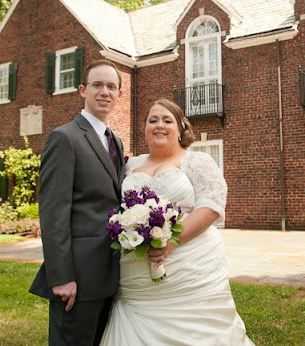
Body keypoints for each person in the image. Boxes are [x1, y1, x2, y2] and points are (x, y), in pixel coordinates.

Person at [100, 98, 254, 346]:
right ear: (145, 127)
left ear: (181, 128)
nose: (159, 125)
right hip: (135, 276)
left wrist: (171, 242)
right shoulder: (130, 165)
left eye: (167, 120)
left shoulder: (196, 161)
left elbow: (212, 205)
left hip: (188, 268)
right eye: (153, 120)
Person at [30, 60, 126, 346]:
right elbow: (53, 212)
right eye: (97, 85)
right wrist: (61, 277)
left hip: (109, 274)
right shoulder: (65, 138)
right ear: (83, 90)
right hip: (77, 277)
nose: (104, 92)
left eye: (111, 86)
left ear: (120, 94)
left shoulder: (116, 142)